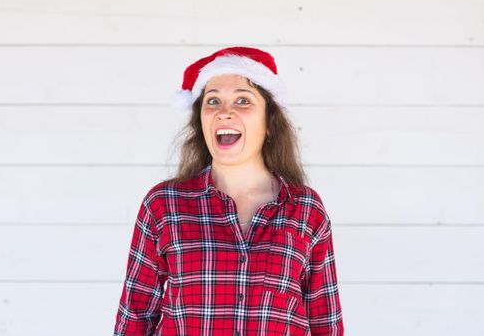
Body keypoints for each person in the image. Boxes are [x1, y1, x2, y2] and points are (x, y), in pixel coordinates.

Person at [113, 47, 344, 335]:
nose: (225, 113)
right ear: (201, 120)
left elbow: (326, 323)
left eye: (242, 100)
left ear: (269, 123)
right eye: (213, 101)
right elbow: (134, 317)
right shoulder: (163, 205)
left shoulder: (305, 208)